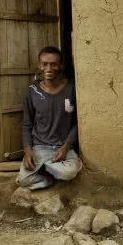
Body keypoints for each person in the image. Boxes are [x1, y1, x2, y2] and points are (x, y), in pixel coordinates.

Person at [18, 46, 82, 190]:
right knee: (23, 180)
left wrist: (66, 147)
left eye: (53, 64)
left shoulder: (72, 88)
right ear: (39, 65)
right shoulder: (32, 91)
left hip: (63, 146)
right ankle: (48, 177)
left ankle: (45, 169)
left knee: (69, 173)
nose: (48, 68)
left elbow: (77, 123)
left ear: (61, 66)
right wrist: (28, 151)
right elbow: (27, 124)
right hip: (40, 147)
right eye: (44, 64)